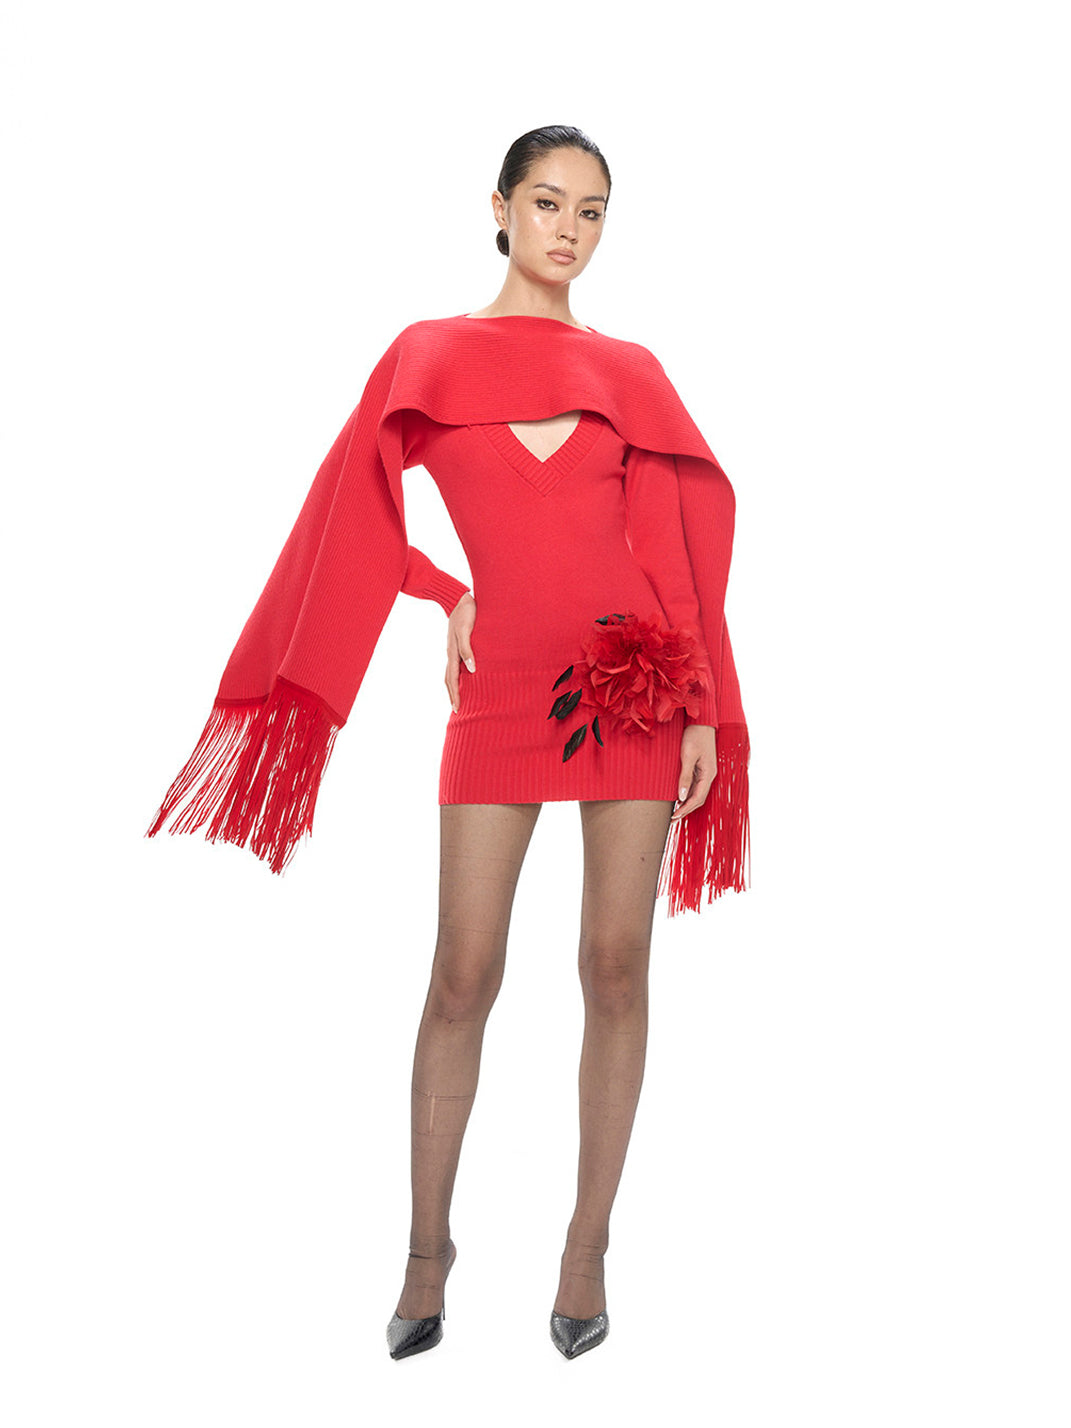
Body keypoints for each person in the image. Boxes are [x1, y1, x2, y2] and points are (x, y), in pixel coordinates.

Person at [143, 124, 750, 1361]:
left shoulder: (628, 368)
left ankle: (586, 1249)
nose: (569, 230)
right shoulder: (430, 353)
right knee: (462, 973)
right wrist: (442, 589)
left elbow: (673, 553)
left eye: (592, 211)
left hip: (634, 685)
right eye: (548, 202)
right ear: (500, 207)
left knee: (616, 965)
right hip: (502, 693)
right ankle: (429, 1251)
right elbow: (350, 504)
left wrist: (701, 704)